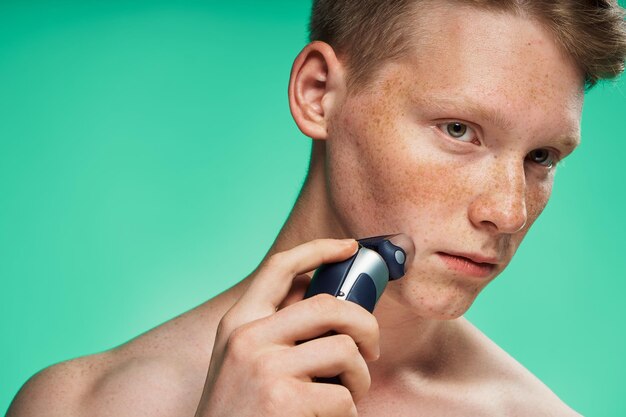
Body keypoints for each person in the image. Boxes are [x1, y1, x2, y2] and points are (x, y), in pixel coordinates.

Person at [7, 1, 626, 416]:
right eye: (459, 129)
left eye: (542, 156)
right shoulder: (83, 406)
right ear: (319, 94)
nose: (508, 211)